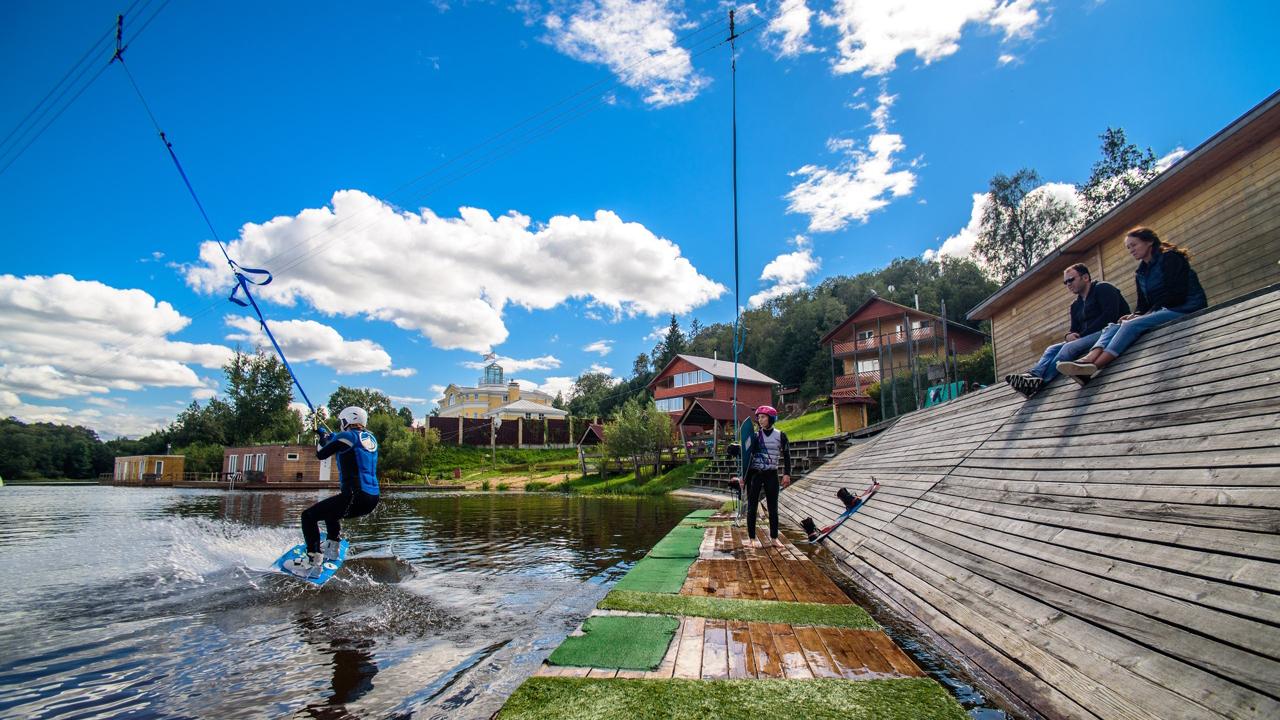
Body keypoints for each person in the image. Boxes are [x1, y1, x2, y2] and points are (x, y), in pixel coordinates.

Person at [1058, 227, 1206, 382]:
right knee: (1114, 326)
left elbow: (1176, 295)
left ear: (1149, 242)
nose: (1131, 250)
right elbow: (1143, 304)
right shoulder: (1141, 273)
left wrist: (1145, 315)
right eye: (1128, 247)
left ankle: (1093, 368)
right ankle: (1088, 359)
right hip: (1161, 310)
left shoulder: (1170, 258)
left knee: (1130, 326)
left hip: (1185, 307)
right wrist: (1135, 314)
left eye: (1134, 245)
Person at [1005, 263, 1129, 397]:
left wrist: (1080, 336)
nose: (1068, 284)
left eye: (1071, 280)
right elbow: (1074, 329)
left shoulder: (1103, 288)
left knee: (1067, 349)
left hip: (1109, 331)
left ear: (1085, 277)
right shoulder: (1075, 305)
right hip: (1085, 338)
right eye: (1065, 282)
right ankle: (1034, 375)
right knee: (1051, 349)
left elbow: (1109, 315)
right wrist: (1068, 335)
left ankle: (1040, 383)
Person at [284, 406, 380, 577]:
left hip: (354, 496)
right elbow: (347, 445)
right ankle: (332, 549)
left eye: (342, 422)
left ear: (348, 420)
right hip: (372, 498)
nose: (340, 425)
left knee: (308, 516)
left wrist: (322, 437)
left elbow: (321, 455)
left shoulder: (346, 436)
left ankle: (313, 564)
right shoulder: (370, 438)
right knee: (331, 513)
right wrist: (332, 438)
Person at [734, 405, 792, 548]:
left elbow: (787, 455)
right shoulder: (754, 436)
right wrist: (743, 477)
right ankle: (752, 538)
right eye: (758, 417)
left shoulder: (781, 435)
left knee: (773, 508)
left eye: (763, 417)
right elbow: (746, 457)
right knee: (752, 507)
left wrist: (786, 474)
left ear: (771, 418)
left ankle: (774, 538)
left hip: (771, 474)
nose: (760, 420)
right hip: (755, 474)